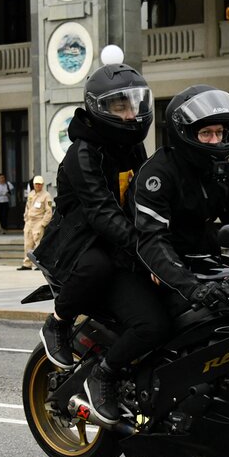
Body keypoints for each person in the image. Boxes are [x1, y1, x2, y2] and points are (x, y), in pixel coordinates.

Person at [33, 55, 169, 424]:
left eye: (135, 104)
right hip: (79, 242)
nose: (131, 114)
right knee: (99, 267)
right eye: (120, 106)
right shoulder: (83, 153)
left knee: (167, 310)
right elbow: (102, 213)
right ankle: (61, 324)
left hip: (120, 243)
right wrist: (149, 253)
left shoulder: (132, 147)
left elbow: (144, 198)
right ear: (99, 108)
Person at [130, 85, 229, 317]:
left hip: (206, 266)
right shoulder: (158, 176)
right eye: (206, 133)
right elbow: (152, 240)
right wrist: (192, 288)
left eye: (219, 132)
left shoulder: (218, 173)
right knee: (155, 329)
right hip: (161, 273)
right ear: (184, 134)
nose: (215, 141)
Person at [17, 176, 53, 271]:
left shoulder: (46, 195)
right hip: (29, 222)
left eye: (39, 184)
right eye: (36, 184)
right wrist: (26, 218)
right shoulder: (31, 194)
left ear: (42, 184)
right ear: (33, 184)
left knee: (38, 243)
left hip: (39, 221)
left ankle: (39, 263)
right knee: (27, 244)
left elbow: (49, 211)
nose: (38, 185)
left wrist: (43, 223)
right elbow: (27, 207)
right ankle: (27, 264)